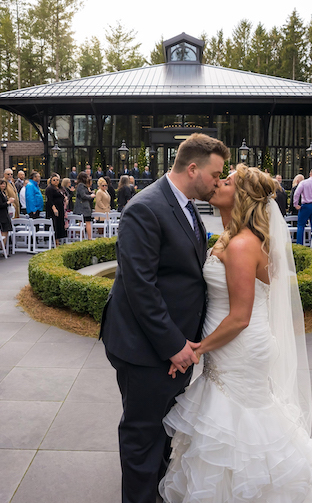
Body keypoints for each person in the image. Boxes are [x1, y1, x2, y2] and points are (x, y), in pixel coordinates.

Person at [160, 164, 312, 503]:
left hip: (240, 344)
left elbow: (240, 318)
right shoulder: (232, 235)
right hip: (230, 345)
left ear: (243, 196)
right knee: (233, 419)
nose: (218, 183)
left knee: (240, 419)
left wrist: (197, 349)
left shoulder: (242, 244)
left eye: (227, 181)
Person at [101, 133, 227, 503]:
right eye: (216, 174)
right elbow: (141, 287)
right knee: (142, 436)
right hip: (144, 348)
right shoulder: (145, 207)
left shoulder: (186, 207)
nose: (218, 182)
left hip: (173, 347)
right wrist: (174, 346)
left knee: (163, 432)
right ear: (193, 168)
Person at [44, 173, 67, 242]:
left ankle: (60, 239)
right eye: (54, 180)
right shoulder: (49, 189)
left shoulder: (60, 188)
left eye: (57, 180)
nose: (56, 181)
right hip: (53, 209)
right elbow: (49, 200)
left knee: (60, 224)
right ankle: (55, 241)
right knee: (55, 225)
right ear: (51, 181)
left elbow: (64, 195)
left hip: (61, 208)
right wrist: (54, 208)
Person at [74, 172, 96, 240]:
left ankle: (83, 237)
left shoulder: (82, 186)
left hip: (83, 207)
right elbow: (83, 196)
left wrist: (90, 191)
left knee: (83, 222)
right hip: (83, 208)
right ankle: (89, 237)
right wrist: (91, 196)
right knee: (87, 222)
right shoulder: (81, 185)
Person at [0, 179, 13, 244]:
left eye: (4, 184)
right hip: (0, 216)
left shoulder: (3, 193)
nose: (3, 185)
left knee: (6, 231)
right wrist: (8, 202)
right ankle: (1, 247)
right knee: (3, 231)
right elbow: (0, 205)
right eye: (1, 184)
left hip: (5, 215)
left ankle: (4, 247)